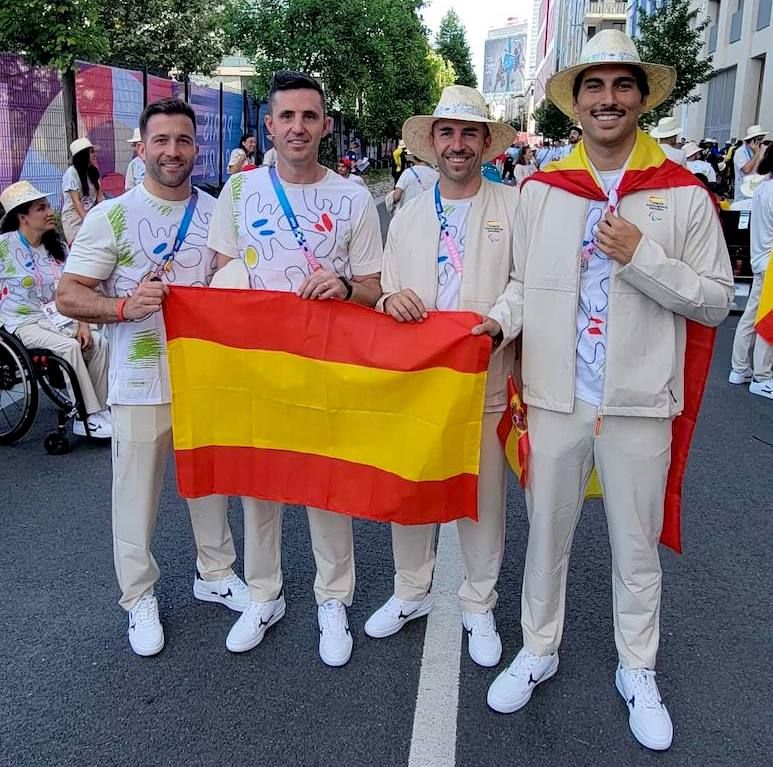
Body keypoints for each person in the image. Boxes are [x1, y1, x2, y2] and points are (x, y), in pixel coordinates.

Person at [486, 30, 734, 751]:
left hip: (638, 403)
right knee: (547, 540)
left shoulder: (682, 193)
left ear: (639, 98)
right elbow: (520, 289)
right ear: (574, 102)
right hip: (556, 399)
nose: (606, 99)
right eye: (593, 87)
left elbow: (716, 299)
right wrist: (487, 330)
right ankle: (538, 646)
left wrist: (643, 257)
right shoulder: (543, 190)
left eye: (620, 86)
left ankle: (638, 666)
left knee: (634, 549)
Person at [55, 98, 249, 657]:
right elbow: (68, 295)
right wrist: (122, 308)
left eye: (183, 140)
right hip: (139, 382)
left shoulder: (218, 212)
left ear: (196, 148)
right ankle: (138, 595)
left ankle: (215, 573)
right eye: (161, 140)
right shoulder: (110, 216)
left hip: (203, 380)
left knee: (207, 484)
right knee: (135, 495)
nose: (172, 151)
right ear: (142, 148)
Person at [206, 70, 383, 667]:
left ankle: (333, 599)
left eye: (310, 116)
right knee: (261, 484)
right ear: (270, 126)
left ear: (325, 125)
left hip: (328, 363)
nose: (298, 127)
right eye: (287, 117)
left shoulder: (353, 196)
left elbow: (373, 286)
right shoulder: (239, 193)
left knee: (326, 484)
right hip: (260, 366)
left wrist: (344, 285)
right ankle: (265, 594)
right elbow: (223, 271)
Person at [364, 85, 519, 667]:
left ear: (485, 143)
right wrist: (388, 302)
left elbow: (526, 285)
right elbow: (385, 286)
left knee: (482, 498)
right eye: (448, 133)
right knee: (414, 488)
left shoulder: (513, 206)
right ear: (432, 143)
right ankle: (410, 590)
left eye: (469, 133)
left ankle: (478, 604)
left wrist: (499, 322)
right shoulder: (406, 214)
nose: (458, 145)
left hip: (484, 375)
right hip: (420, 379)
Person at [0, 181, 111, 438]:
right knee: (69, 347)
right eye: (41, 208)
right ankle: (86, 416)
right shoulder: (4, 247)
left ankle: (103, 409)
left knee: (98, 341)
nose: (51, 211)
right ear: (22, 217)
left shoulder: (57, 246)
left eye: (48, 205)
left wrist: (83, 323)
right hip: (22, 322)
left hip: (61, 317)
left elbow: (76, 288)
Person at [729, 144, 773, 398]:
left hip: (760, 259)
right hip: (770, 263)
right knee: (767, 319)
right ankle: (763, 375)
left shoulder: (761, 188)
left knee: (752, 316)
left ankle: (740, 368)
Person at [61, 137, 104, 245]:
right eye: (91, 152)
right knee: (80, 250)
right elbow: (76, 202)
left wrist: (105, 214)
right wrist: (88, 220)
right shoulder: (71, 173)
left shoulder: (93, 171)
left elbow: (100, 197)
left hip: (91, 216)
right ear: (83, 155)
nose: (95, 155)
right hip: (74, 219)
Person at [733, 124, 767, 201]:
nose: (760, 142)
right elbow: (747, 170)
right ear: (751, 140)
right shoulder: (740, 152)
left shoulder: (764, 149)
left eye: (761, 138)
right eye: (758, 139)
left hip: (760, 191)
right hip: (744, 193)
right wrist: (756, 153)